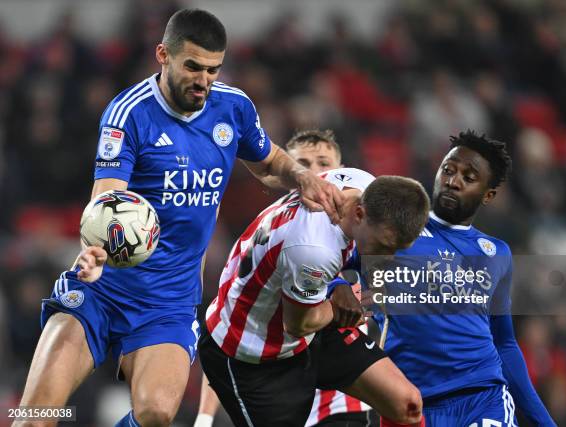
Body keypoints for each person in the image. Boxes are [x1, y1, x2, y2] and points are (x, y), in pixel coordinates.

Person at [14, 9, 343, 427]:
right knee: (36, 415)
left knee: (155, 416)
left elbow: (268, 160)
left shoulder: (233, 108)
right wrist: (96, 249)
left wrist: (299, 176)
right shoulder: (129, 113)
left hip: (168, 304)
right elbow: (107, 197)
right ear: (163, 55)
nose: (204, 80)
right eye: (193, 66)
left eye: (213, 69)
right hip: (103, 290)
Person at [200, 168, 430, 427]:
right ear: (359, 214)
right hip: (253, 352)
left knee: (407, 405)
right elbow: (300, 324)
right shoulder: (314, 248)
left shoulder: (360, 184)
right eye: (384, 246)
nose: (388, 258)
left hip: (306, 321)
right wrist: (358, 296)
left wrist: (338, 282)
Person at [364, 130, 556, 426]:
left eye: (469, 177)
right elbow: (337, 265)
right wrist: (339, 286)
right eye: (448, 170)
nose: (453, 181)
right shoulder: (397, 231)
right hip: (413, 404)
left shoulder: (495, 253)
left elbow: (503, 342)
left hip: (482, 398)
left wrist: (543, 421)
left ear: (488, 195)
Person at [195, 130, 375, 427]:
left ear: (341, 173)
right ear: (287, 175)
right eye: (302, 165)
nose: (315, 174)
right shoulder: (272, 238)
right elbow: (228, 327)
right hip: (276, 382)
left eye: (323, 164)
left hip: (336, 397)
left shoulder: (360, 232)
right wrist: (204, 415)